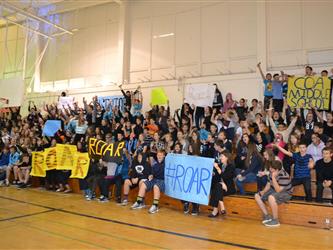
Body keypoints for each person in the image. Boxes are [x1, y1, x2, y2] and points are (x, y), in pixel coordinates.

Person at [254, 160, 293, 227]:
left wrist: (273, 177)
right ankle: (267, 216)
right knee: (257, 195)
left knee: (271, 197)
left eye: (271, 168)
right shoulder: (271, 172)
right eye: (270, 168)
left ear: (277, 170)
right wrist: (263, 192)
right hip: (274, 189)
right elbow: (269, 184)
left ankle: (275, 220)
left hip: (286, 193)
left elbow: (278, 190)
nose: (270, 169)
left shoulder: (284, 175)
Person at [208, 151, 235, 217]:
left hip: (228, 188)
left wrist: (217, 168)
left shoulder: (231, 166)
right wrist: (213, 174)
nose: (220, 158)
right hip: (220, 188)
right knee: (217, 186)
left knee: (216, 188)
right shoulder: (220, 165)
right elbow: (216, 179)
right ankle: (222, 206)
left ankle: (215, 211)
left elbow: (225, 177)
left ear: (227, 158)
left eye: (222, 156)